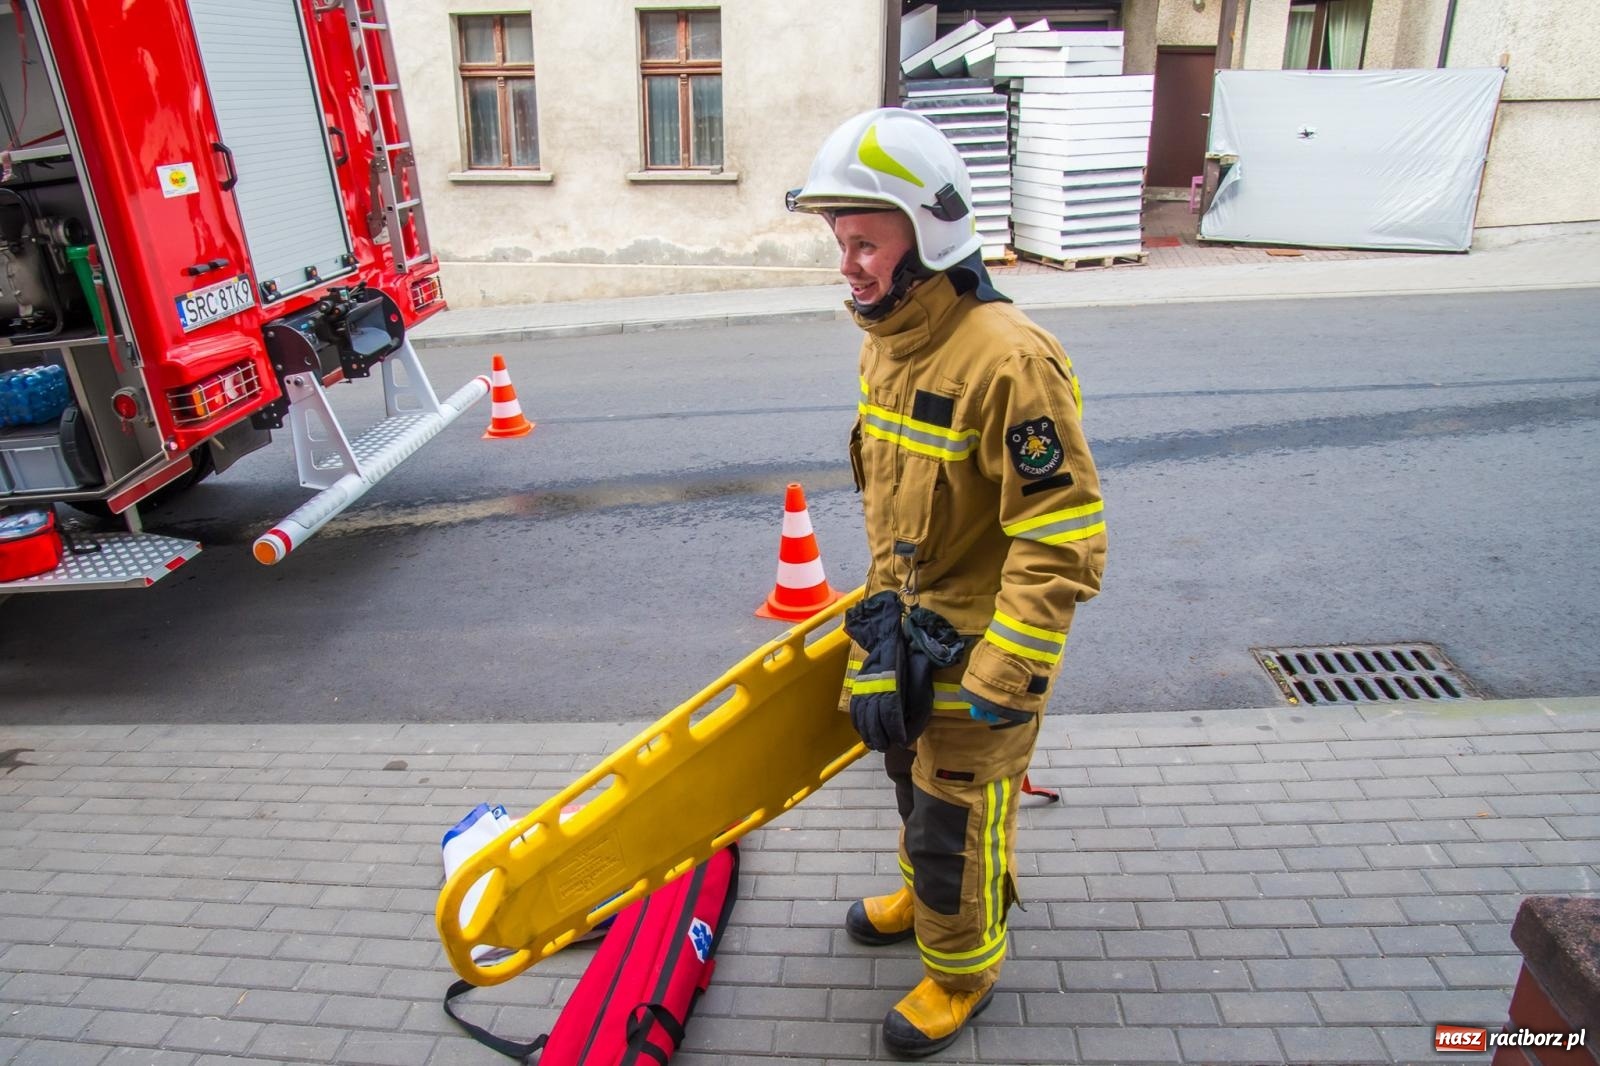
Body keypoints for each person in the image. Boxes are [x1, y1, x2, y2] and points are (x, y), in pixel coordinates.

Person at [786, 107, 1107, 1058]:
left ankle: (962, 973)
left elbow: (1062, 534)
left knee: (956, 823)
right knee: (909, 785)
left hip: (979, 654)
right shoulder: (890, 342)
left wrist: (1012, 671)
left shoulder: (1009, 360)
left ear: (925, 235)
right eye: (841, 242)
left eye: (865, 243)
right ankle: (923, 899)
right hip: (905, 640)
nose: (848, 265)